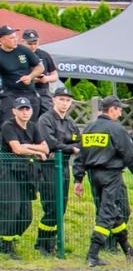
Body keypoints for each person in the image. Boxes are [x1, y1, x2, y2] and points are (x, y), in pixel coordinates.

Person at [73, 96, 133, 267]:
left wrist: (78, 179)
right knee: (107, 213)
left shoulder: (89, 128)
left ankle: (129, 251)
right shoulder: (116, 129)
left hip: (94, 176)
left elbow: (80, 156)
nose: (121, 112)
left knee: (114, 214)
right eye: (119, 109)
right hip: (111, 175)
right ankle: (92, 255)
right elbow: (130, 155)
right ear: (112, 109)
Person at [0, 95, 47, 258]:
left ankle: (9, 241)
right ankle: (5, 246)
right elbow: (17, 149)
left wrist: (27, 146)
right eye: (21, 109)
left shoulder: (33, 127)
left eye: (27, 108)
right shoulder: (8, 126)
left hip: (25, 173)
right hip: (8, 173)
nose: (25, 112)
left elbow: (46, 149)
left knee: (26, 216)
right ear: (14, 111)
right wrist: (35, 151)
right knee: (10, 210)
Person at [34, 88, 79, 255]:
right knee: (52, 207)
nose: (65, 103)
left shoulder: (70, 123)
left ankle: (48, 244)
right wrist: (71, 148)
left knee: (61, 208)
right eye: (61, 99)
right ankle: (43, 244)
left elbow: (79, 142)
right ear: (54, 100)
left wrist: (70, 148)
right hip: (48, 168)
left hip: (64, 168)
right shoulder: (45, 119)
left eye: (68, 100)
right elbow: (50, 144)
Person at [0, 25, 44, 115]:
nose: (15, 39)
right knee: (8, 123)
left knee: (32, 125)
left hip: (29, 92)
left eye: (16, 37)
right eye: (11, 38)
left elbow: (40, 67)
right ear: (1, 40)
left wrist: (30, 76)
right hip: (9, 94)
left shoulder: (23, 50)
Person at [23, 30, 59, 106]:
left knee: (47, 113)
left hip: (43, 91)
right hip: (25, 91)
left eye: (35, 44)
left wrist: (46, 78)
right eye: (29, 44)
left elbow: (55, 75)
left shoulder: (44, 55)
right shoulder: (18, 55)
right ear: (23, 42)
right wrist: (31, 79)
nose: (33, 47)